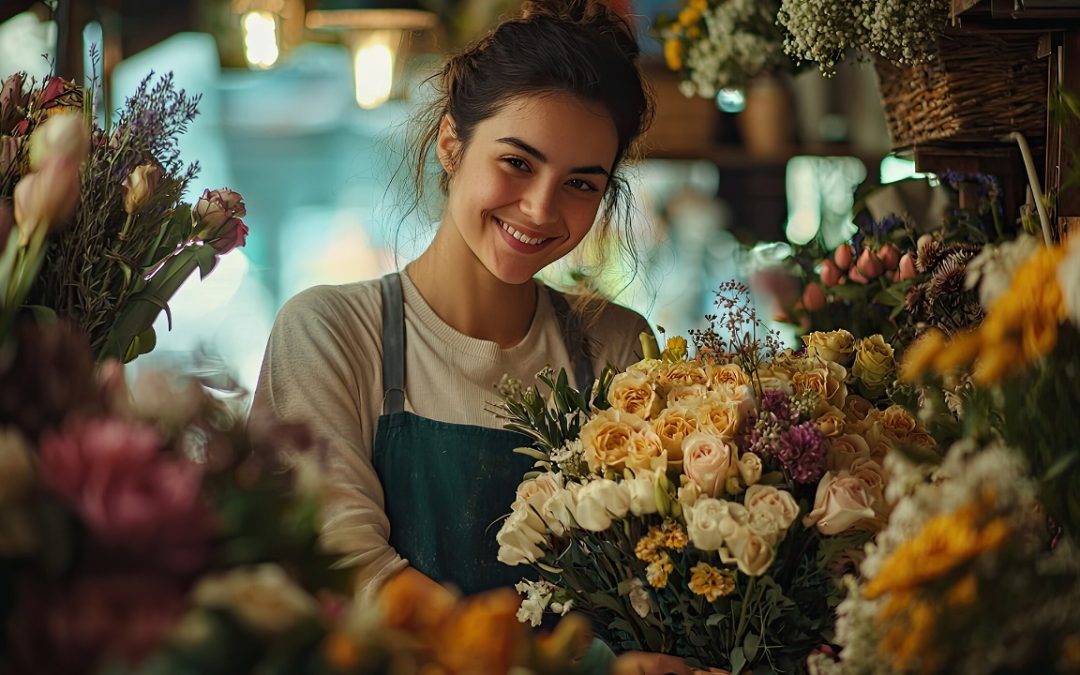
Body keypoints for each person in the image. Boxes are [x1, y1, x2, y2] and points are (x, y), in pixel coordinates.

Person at [253, 1, 690, 672]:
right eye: (518, 163)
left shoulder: (615, 346)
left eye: (580, 182)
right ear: (451, 144)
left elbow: (651, 580)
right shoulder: (330, 333)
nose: (541, 208)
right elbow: (349, 567)